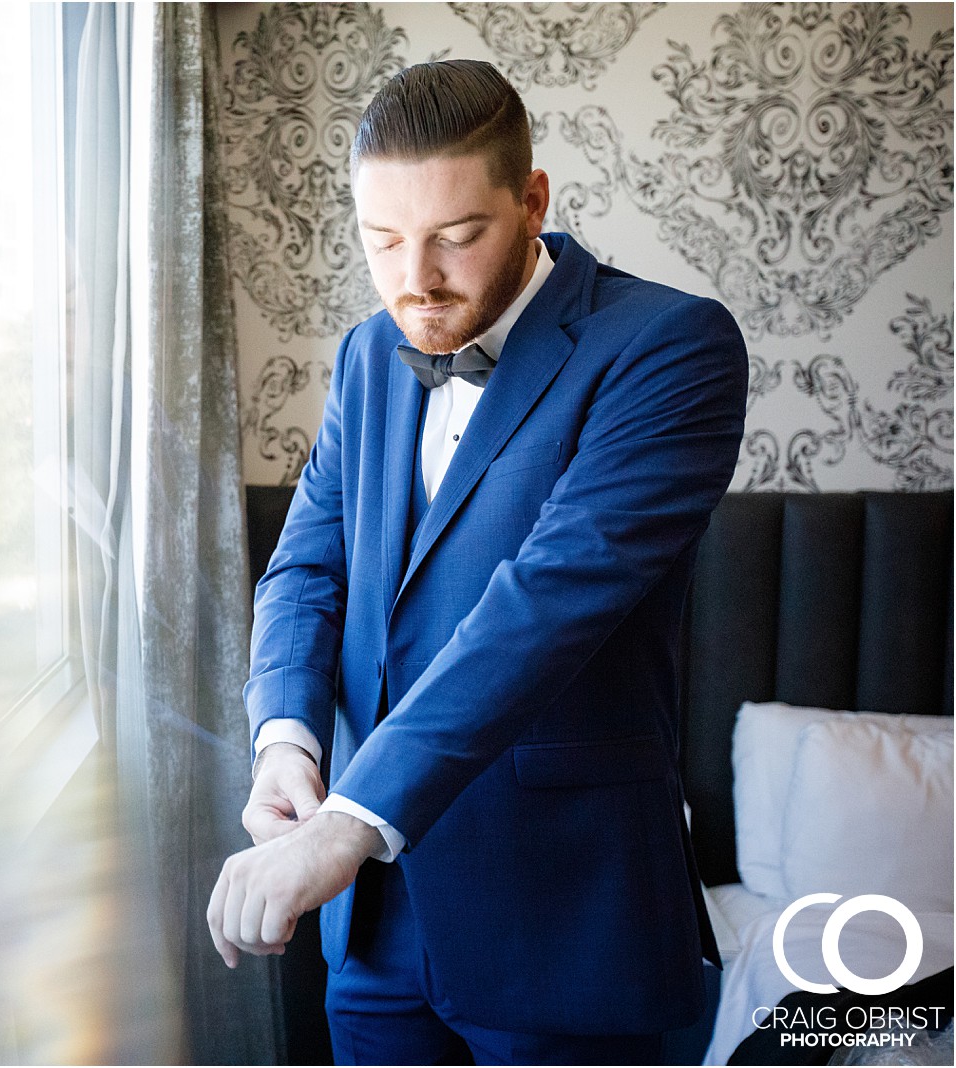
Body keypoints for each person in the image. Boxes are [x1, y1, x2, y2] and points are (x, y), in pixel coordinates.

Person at [206, 61, 747, 1065]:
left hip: (564, 917)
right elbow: (304, 572)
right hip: (370, 928)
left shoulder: (669, 347)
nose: (416, 278)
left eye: (456, 237)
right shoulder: (368, 356)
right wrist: (283, 739)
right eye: (382, 241)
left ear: (530, 200)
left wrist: (351, 821)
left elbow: (545, 605)